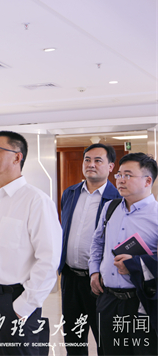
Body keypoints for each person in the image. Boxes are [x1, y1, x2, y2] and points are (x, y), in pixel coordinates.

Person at [0, 131, 61, 355]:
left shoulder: (36, 201)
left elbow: (48, 260)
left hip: (13, 301)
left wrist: (22, 308)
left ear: (17, 157)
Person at [89, 152, 158, 355]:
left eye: (128, 175)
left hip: (142, 302)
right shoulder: (110, 207)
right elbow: (97, 242)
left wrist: (136, 264)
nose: (120, 180)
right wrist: (94, 271)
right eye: (119, 174)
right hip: (108, 299)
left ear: (147, 181)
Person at [59, 143, 120, 354]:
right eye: (87, 160)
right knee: (73, 339)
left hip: (99, 281)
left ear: (110, 166)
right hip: (69, 278)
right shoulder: (70, 193)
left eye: (97, 160)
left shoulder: (117, 199)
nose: (91, 164)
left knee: (104, 340)